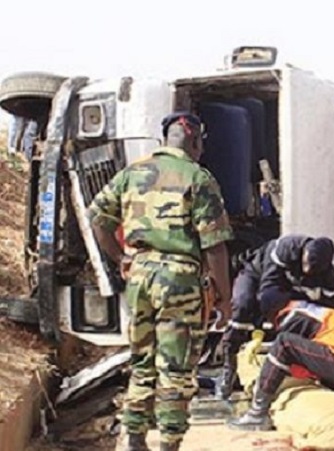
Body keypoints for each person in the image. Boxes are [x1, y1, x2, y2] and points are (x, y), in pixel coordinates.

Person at [89, 112, 234, 451]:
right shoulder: (198, 178)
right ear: (196, 141)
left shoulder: (131, 173)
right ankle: (169, 444)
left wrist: (121, 258)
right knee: (176, 369)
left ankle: (136, 440)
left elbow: (98, 219)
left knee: (141, 363)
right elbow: (215, 245)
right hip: (179, 280)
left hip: (139, 277)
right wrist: (224, 298)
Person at [217, 234, 334, 400]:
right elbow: (268, 296)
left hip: (284, 292)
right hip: (257, 276)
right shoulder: (284, 248)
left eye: (312, 270)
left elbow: (328, 311)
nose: (307, 271)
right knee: (243, 305)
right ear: (304, 252)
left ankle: (291, 372)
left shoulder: (329, 278)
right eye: (305, 264)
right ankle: (228, 369)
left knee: (301, 324)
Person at [228, 300, 334, 431]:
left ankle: (257, 414)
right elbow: (309, 359)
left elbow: (287, 357)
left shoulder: (293, 317)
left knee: (284, 344)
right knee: (319, 359)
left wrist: (267, 380)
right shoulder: (308, 311)